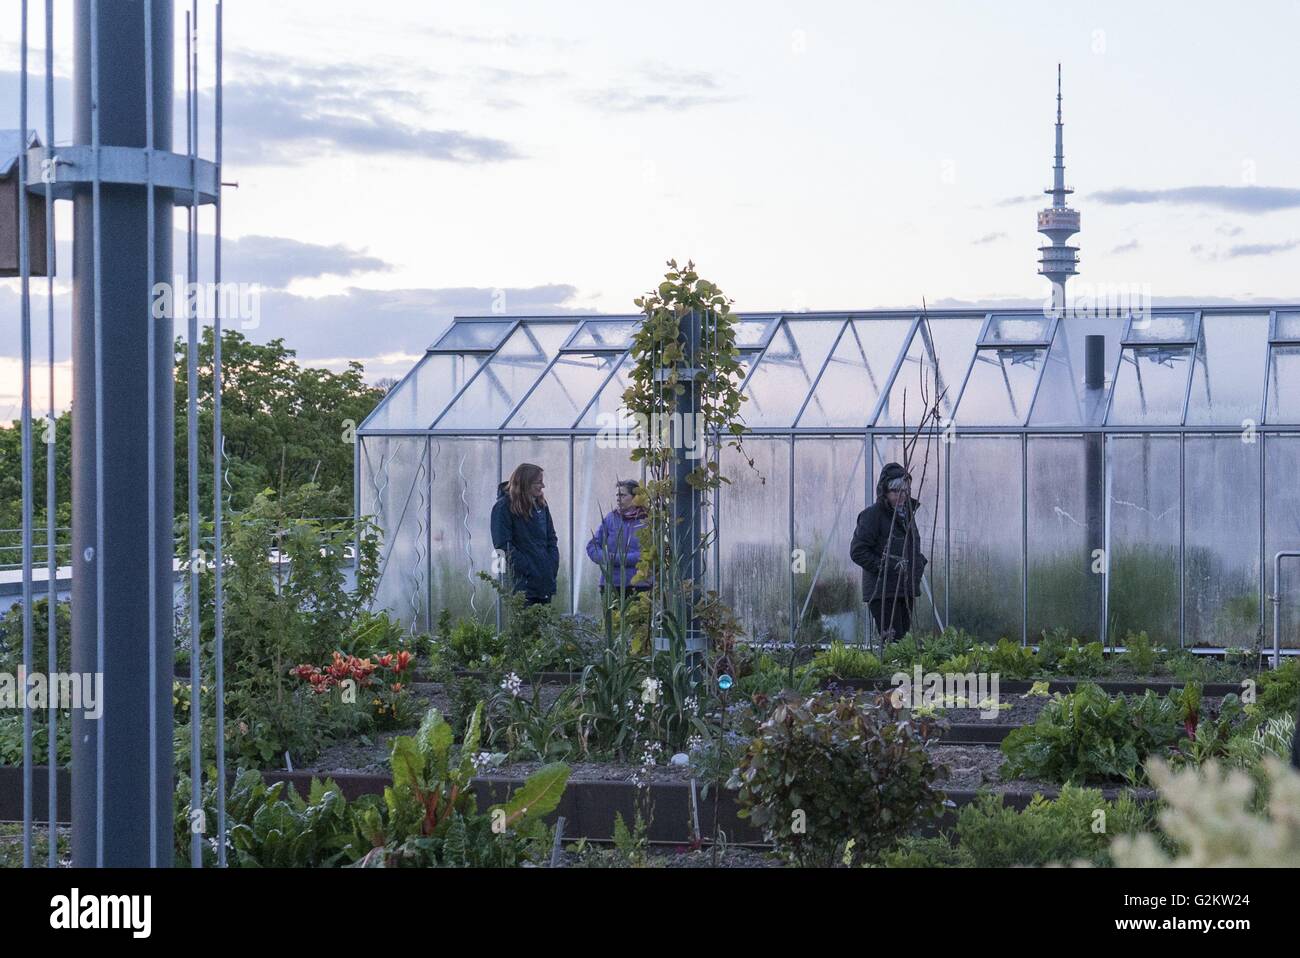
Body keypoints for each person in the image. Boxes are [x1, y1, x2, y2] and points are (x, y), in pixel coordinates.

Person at [850, 462, 929, 646]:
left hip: (905, 588)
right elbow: (858, 551)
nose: (901, 496)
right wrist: (885, 566)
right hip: (883, 591)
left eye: (904, 491)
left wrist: (917, 564)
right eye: (895, 492)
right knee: (894, 642)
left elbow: (911, 546)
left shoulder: (906, 515)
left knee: (903, 643)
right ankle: (893, 674)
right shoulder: (872, 515)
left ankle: (900, 673)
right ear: (884, 492)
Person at [490, 463, 559, 606]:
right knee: (525, 626)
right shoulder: (503, 507)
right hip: (522, 585)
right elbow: (503, 545)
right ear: (525, 483)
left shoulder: (541, 505)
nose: (543, 486)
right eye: (538, 482)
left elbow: (551, 538)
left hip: (543, 583)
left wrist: (551, 564)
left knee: (542, 626)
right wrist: (528, 569)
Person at [586, 480, 649, 600]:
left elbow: (647, 554)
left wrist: (616, 558)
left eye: (623, 495)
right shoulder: (611, 518)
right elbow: (592, 546)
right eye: (617, 495)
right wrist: (605, 557)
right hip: (612, 583)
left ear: (635, 497)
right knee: (613, 618)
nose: (618, 499)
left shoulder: (646, 520)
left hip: (640, 584)